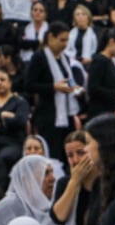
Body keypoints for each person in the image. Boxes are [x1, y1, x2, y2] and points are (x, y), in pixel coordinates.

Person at [25, 21, 80, 162]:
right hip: (48, 114)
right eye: (62, 40)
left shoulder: (65, 58)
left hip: (66, 112)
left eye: (67, 40)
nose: (65, 44)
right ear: (51, 37)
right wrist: (53, 87)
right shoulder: (39, 57)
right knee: (53, 153)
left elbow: (69, 79)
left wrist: (75, 88)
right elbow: (29, 85)